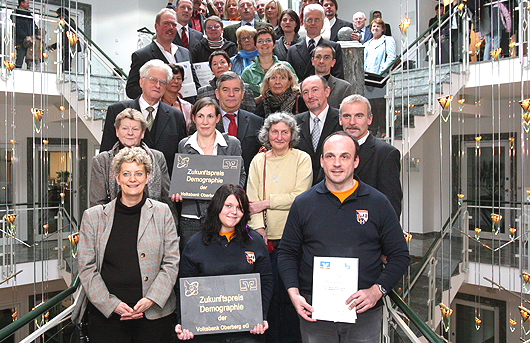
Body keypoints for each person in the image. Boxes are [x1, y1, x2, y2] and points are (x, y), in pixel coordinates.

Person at [277, 132, 409, 342]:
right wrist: (293, 293)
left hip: (364, 312)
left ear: (356, 161)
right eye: (330, 156)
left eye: (345, 156)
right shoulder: (303, 203)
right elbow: (286, 253)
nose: (336, 163)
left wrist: (377, 291)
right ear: (321, 161)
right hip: (315, 311)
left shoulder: (378, 203)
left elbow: (400, 255)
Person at [73, 146, 179, 343]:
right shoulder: (93, 217)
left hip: (154, 316)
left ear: (147, 177)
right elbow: (86, 268)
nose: (133, 179)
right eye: (126, 174)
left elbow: (171, 262)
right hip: (107, 317)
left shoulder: (163, 213)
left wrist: (151, 300)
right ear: (117, 178)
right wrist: (110, 304)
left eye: (139, 173)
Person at [175, 184, 273, 342]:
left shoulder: (255, 242)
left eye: (239, 207)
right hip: (207, 332)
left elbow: (266, 282)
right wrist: (184, 321)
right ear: (217, 206)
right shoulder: (195, 244)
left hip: (246, 331)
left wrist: (260, 316)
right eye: (228, 206)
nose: (234, 212)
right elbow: (185, 287)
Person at [247, 112, 313, 343]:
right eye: (274, 131)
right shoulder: (259, 160)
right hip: (266, 241)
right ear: (267, 134)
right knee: (269, 296)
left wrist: (267, 203)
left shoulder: (302, 159)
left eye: (285, 132)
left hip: (294, 240)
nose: (279, 136)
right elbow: (251, 199)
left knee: (292, 296)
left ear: (292, 135)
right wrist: (258, 230)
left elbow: (300, 197)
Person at [173, 98, 246, 249]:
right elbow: (182, 178)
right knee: (191, 264)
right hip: (190, 218)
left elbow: (241, 175)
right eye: (200, 116)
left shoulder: (232, 144)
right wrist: (177, 191)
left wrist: (232, 195)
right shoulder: (184, 145)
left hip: (223, 218)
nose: (205, 122)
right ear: (193, 118)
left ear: (218, 118)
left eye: (210, 116)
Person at [101, 59, 188, 176]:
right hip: (125, 187)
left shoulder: (176, 117)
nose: (158, 85)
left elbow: (180, 159)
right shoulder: (117, 111)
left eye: (162, 82)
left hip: (163, 188)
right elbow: (106, 154)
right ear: (141, 82)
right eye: (153, 80)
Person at [90, 108, 172, 214]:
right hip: (114, 221)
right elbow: (97, 204)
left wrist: (171, 225)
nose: (130, 133)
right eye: (125, 128)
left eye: (135, 129)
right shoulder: (101, 161)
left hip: (153, 221)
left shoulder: (157, 158)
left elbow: (166, 198)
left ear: (142, 133)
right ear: (117, 131)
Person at [340, 94, 402, 217]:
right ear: (340, 120)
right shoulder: (331, 150)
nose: (352, 122)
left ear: (369, 119)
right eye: (347, 116)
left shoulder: (386, 154)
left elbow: (391, 207)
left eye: (359, 116)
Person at [125, 8, 194, 100]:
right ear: (156, 26)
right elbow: (131, 89)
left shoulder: (185, 53)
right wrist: (159, 93)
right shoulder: (142, 56)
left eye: (174, 25)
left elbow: (194, 84)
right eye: (166, 24)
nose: (170, 28)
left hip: (184, 109)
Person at [295, 75, 342, 184]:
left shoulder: (342, 119)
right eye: (305, 92)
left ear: (327, 91)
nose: (310, 96)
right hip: (303, 188)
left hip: (335, 186)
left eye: (315, 90)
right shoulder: (294, 122)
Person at [214, 71, 263, 174]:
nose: (231, 94)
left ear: (242, 94)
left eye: (236, 90)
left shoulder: (257, 122)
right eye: (226, 90)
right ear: (217, 94)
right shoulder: (206, 122)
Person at [286, 4, 344, 82]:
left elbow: (338, 80)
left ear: (322, 24)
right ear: (304, 23)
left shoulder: (334, 47)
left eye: (317, 20)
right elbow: (289, 79)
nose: (313, 23)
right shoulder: (293, 50)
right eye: (309, 20)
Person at [241, 26, 296, 98]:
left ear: (274, 45)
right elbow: (244, 100)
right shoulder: (248, 73)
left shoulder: (286, 67)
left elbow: (295, 90)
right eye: (260, 41)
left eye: (268, 40)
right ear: (255, 46)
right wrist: (259, 100)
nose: (264, 43)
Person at [311, 43, 353, 109]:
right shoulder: (302, 87)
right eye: (318, 57)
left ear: (333, 62)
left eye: (326, 57)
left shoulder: (344, 88)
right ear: (313, 61)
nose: (321, 61)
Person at [162, 64, 192, 133]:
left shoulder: (188, 107)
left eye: (178, 78)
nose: (175, 81)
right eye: (172, 78)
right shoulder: (155, 105)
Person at [48, 7, 81, 72]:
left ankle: (66, 74)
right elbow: (63, 38)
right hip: (68, 46)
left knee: (66, 63)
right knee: (65, 63)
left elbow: (66, 37)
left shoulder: (68, 22)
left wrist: (57, 45)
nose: (59, 18)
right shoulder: (67, 22)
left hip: (69, 46)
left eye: (59, 16)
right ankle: (65, 73)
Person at [11, 0, 39, 68]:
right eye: (27, 3)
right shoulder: (16, 13)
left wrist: (36, 33)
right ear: (21, 3)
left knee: (30, 59)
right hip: (20, 41)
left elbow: (34, 26)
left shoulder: (29, 14)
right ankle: (17, 72)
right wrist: (25, 36)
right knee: (20, 58)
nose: (28, 5)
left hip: (30, 41)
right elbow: (17, 28)